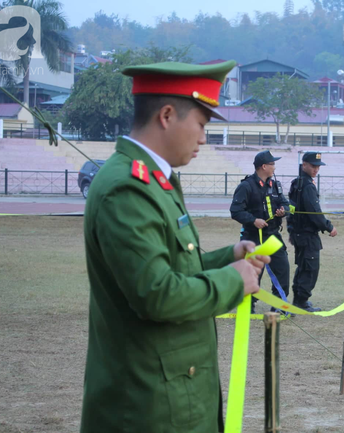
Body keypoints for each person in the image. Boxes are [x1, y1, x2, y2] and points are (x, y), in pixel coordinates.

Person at [80, 60, 270, 433]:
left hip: (169, 389)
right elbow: (157, 293)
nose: (203, 138)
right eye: (200, 125)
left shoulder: (153, 179)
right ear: (167, 115)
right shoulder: (128, 187)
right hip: (148, 402)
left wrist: (228, 257)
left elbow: (173, 265)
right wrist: (234, 281)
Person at [230, 150, 291, 312]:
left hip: (272, 235)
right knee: (253, 272)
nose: (274, 168)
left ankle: (279, 305)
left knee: (282, 268)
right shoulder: (246, 186)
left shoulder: (275, 185)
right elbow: (235, 211)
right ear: (263, 166)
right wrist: (253, 220)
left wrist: (283, 210)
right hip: (253, 237)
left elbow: (286, 204)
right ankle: (248, 306)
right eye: (272, 164)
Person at [287, 152, 338, 312]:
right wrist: (329, 226)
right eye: (313, 166)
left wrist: (291, 230)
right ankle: (301, 301)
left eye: (318, 166)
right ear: (304, 165)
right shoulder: (307, 186)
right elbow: (314, 212)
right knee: (310, 268)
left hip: (299, 233)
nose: (316, 169)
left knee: (303, 266)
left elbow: (292, 209)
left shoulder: (297, 183)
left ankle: (299, 299)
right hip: (307, 234)